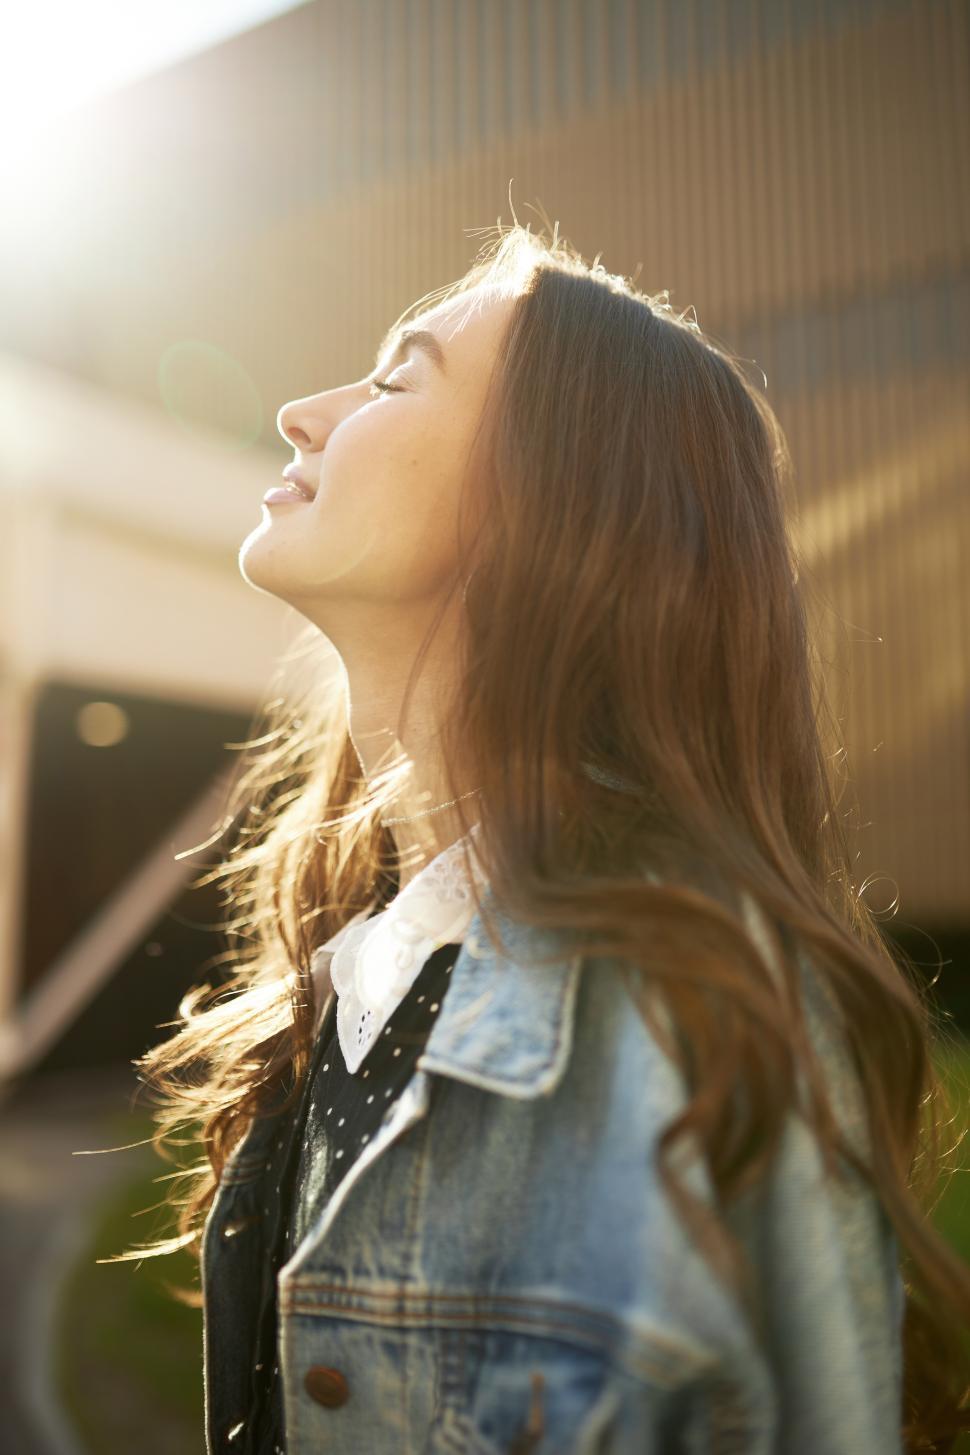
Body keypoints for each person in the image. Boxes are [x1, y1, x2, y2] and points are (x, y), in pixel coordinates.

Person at [120, 220, 970, 1453]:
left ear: (550, 505)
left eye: (398, 377)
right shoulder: (356, 974)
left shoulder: (693, 1022)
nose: (303, 412)